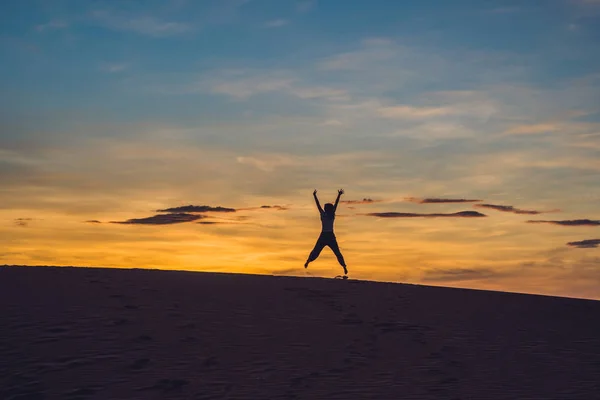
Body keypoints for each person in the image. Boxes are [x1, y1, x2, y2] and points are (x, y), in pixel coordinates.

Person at [304, 188, 348, 275]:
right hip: (325, 235)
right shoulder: (326, 214)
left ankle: (344, 267)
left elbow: (332, 204)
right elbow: (319, 205)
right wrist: (315, 196)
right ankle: (308, 261)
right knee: (316, 251)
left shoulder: (328, 214)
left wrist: (339, 195)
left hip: (328, 235)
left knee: (336, 252)